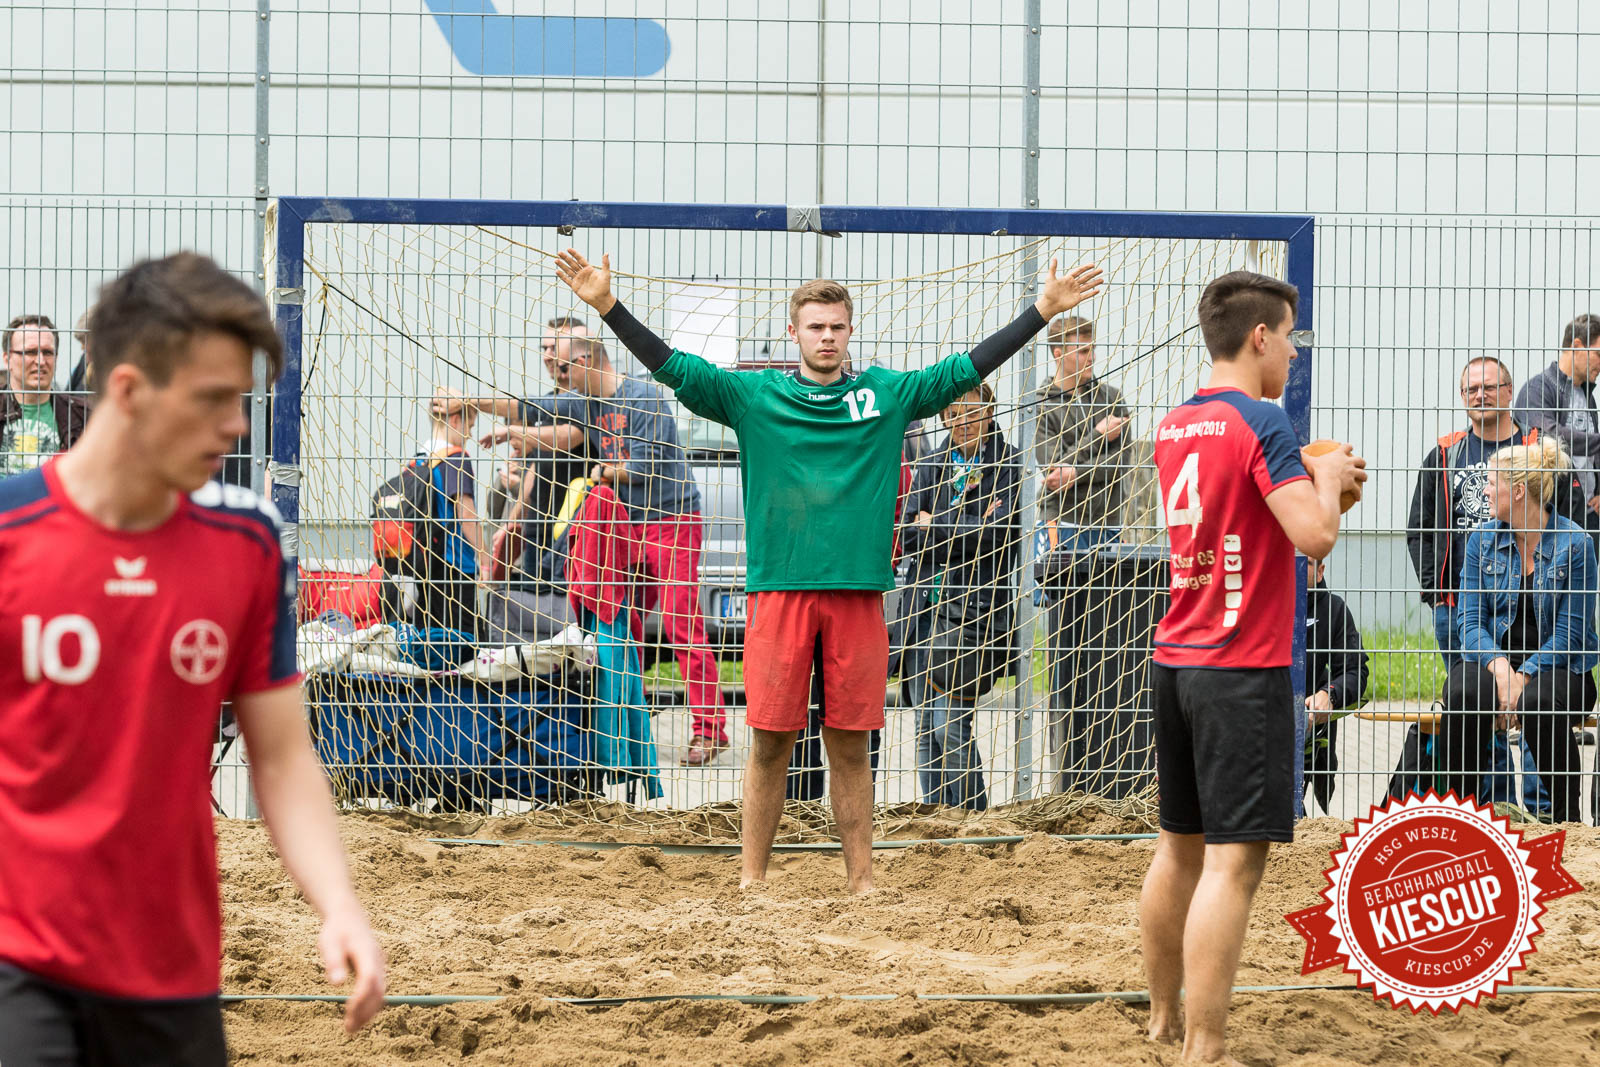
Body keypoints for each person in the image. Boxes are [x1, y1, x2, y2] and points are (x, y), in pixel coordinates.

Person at [554, 246, 1102, 893]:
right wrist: (607, 305)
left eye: (837, 326)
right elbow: (675, 369)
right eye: (815, 326)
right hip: (779, 594)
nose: (826, 336)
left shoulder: (884, 395)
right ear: (795, 332)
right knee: (768, 743)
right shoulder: (753, 396)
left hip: (856, 597)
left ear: (849, 331)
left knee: (850, 744)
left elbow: (966, 367)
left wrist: (1043, 309)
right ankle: (751, 879)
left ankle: (862, 880)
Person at [0, 253, 385, 1064]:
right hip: (18, 960)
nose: (237, 426)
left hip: (170, 969)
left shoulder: (244, 547)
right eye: (214, 400)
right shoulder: (11, 536)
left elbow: (281, 758)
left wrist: (339, 902)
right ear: (131, 391)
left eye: (241, 401)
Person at [1141, 270, 1365, 1062]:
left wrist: (1303, 470)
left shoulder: (1176, 423)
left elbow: (1240, 506)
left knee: (1178, 847)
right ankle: (1205, 1045)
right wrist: (1329, 482)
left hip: (1176, 656)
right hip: (1243, 667)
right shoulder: (1263, 419)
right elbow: (1315, 537)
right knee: (1233, 867)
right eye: (1292, 337)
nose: (1296, 354)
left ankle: (1164, 1016)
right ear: (1261, 337)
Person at [458, 334, 729, 765]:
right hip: (627, 526)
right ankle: (630, 724)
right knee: (624, 625)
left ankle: (709, 729)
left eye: (565, 369)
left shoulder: (644, 398)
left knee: (682, 624)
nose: (560, 377)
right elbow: (531, 407)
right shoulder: (585, 403)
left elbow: (642, 468)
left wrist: (599, 470)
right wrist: (480, 407)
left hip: (670, 521)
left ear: (585, 360)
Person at [1407, 356, 1557, 814]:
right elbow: (1421, 528)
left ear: (1509, 392)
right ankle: (1494, 807)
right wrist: (1438, 592)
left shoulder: (1536, 452)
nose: (1480, 395)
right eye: (1471, 389)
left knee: (1534, 703)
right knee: (1476, 709)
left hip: (1533, 606)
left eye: (1490, 387)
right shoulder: (1446, 455)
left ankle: (1540, 809)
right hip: (1462, 611)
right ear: (1462, 398)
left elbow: (1563, 519)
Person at [1444, 438, 1598, 824]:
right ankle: (1460, 816)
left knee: (1538, 702)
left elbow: (1571, 634)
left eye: (1491, 482)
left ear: (1516, 491)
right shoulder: (1482, 540)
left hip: (1562, 670)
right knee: (1465, 691)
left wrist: (1525, 674)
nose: (1484, 490)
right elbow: (1469, 622)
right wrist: (1500, 669)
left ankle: (1566, 820)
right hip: (1493, 665)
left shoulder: (1576, 543)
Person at [902, 382, 1021, 810]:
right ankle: (936, 821)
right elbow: (909, 533)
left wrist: (936, 523)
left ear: (990, 413)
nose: (964, 423)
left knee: (949, 726)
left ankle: (974, 820)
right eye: (954, 415)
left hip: (972, 614)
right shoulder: (931, 462)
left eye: (973, 413)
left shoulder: (1006, 464)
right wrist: (961, 523)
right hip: (922, 612)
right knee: (923, 728)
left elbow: (998, 536)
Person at [1031, 314, 1133, 791]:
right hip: (1062, 528)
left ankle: (1100, 764)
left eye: (1093, 348)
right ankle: (1063, 773)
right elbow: (1049, 468)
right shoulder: (1043, 401)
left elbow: (1118, 469)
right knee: (1063, 644)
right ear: (1057, 353)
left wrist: (1076, 466)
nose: (1090, 357)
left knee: (1104, 643)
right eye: (1081, 350)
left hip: (1106, 527)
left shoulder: (1112, 399)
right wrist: (1096, 440)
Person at [1514, 313, 1600, 551]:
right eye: (1599, 354)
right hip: (1551, 515)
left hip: (1588, 516)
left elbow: (1593, 455)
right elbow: (1547, 436)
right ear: (1576, 346)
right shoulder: (1539, 388)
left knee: (1583, 587)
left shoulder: (1587, 397)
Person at [413, 391, 486, 636]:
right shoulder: (457, 458)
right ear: (454, 420)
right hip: (456, 566)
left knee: (431, 637)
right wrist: (485, 558)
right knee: (465, 642)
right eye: (470, 425)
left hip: (424, 566)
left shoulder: (417, 460)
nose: (470, 435)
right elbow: (465, 512)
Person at [1302, 559, 1371, 816]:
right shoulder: (1261, 603)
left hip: (1310, 721)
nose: (1295, 566)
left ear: (1320, 572)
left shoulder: (1334, 610)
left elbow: (1355, 672)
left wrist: (1329, 694)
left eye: (1306, 563)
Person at [2, 314, 89, 476]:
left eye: (48, 352)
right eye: (30, 352)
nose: (41, 361)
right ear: (7, 359)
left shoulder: (82, 415)